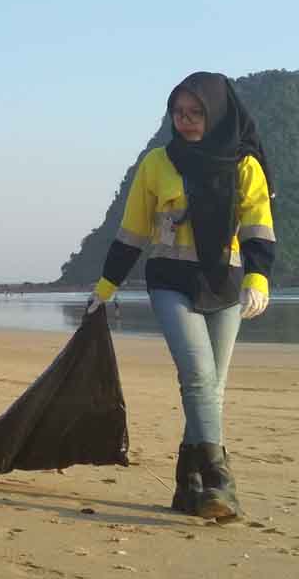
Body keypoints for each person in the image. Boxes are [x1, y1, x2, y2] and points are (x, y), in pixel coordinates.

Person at [87, 72, 275, 522]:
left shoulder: (244, 166)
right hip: (171, 281)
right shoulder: (157, 163)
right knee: (198, 378)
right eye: (179, 113)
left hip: (225, 285)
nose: (187, 122)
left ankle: (186, 482)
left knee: (214, 387)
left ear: (216, 114)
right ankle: (219, 482)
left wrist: (259, 279)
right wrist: (105, 287)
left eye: (196, 113)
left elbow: (258, 229)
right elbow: (131, 233)